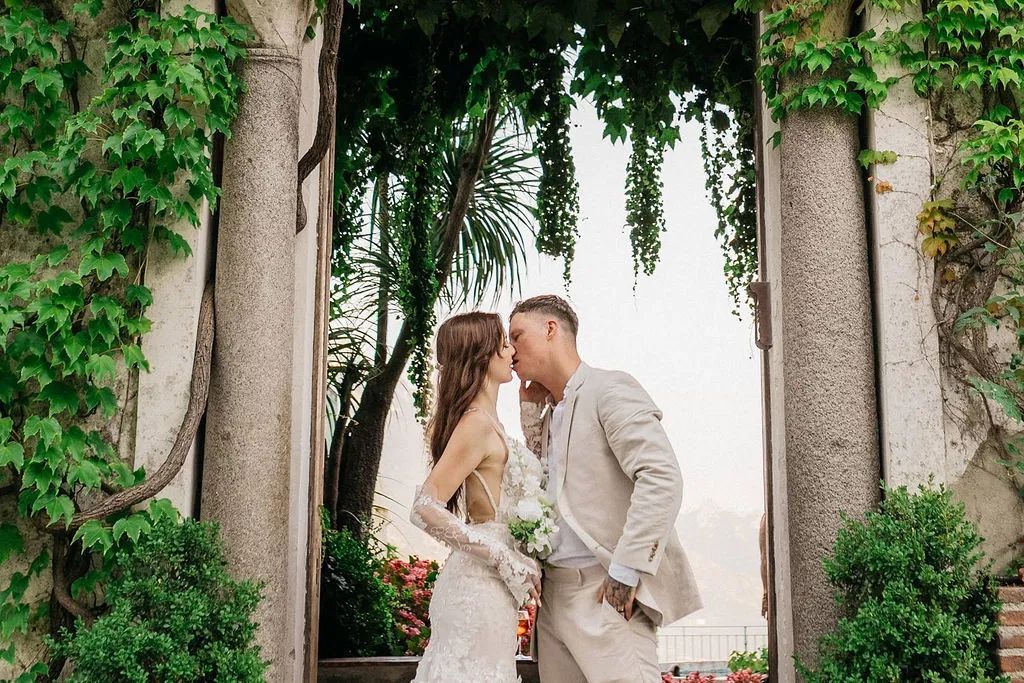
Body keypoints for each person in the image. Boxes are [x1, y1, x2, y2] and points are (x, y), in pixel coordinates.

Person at [510, 294, 702, 682]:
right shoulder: (549, 412)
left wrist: (626, 569)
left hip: (606, 595)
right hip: (553, 602)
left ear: (551, 329)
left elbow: (661, 476)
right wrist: (531, 418)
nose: (509, 350)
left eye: (516, 336)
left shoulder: (609, 389)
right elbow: (545, 492)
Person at [408, 312, 543, 682]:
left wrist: (530, 417)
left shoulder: (489, 422)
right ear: (482, 356)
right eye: (503, 343)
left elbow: (514, 485)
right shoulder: (476, 423)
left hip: (492, 592)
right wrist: (501, 557)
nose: (511, 350)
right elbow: (424, 508)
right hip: (476, 590)